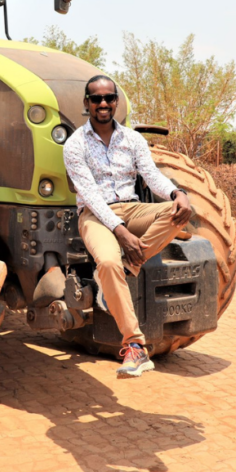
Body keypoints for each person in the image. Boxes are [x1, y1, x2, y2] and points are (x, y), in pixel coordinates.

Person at [63, 75, 192, 378]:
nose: (103, 104)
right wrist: (120, 230)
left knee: (177, 211)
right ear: (87, 103)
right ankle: (134, 346)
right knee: (107, 262)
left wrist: (178, 193)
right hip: (96, 215)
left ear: (116, 102)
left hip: (132, 207)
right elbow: (90, 196)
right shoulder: (75, 145)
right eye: (96, 99)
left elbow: (151, 175)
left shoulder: (132, 140)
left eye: (109, 98)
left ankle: (126, 269)